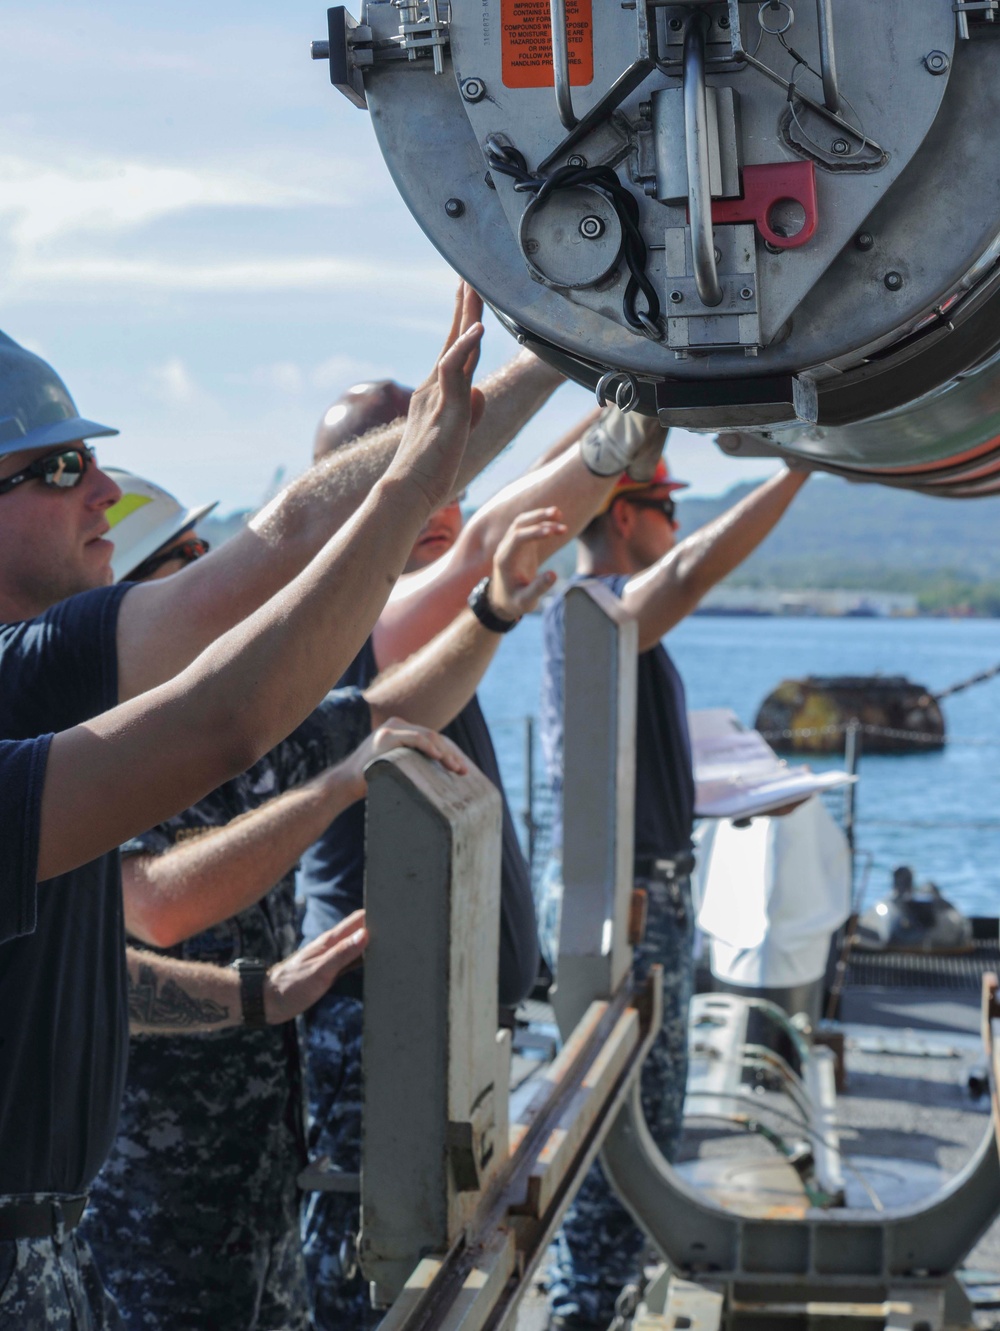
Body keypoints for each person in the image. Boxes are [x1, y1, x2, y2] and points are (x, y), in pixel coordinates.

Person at [0, 288, 493, 1329]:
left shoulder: (31, 679)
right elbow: (224, 722)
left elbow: (278, 543)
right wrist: (412, 478)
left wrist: (571, 362)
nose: (101, 491)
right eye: (55, 468)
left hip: (69, 1239)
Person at [81, 471, 564, 1331]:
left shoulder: (236, 729)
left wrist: (494, 608)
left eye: (206, 554)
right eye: (179, 561)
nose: (208, 579)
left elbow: (388, 707)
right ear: (121, 609)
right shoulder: (93, 758)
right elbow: (154, 904)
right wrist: (334, 789)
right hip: (158, 1207)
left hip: (262, 1180)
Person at [299, 389, 667, 1327]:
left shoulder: (412, 590)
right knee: (370, 1293)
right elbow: (484, 545)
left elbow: (505, 514)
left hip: (449, 1027)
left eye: (454, 482)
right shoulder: (345, 620)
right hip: (377, 1030)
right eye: (425, 484)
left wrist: (613, 405)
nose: (451, 505)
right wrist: (623, 427)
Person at [537, 458, 810, 1330]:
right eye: (665, 506)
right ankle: (587, 1309)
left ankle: (604, 1301)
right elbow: (691, 572)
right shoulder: (600, 614)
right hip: (631, 910)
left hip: (651, 895)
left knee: (646, 1126)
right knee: (619, 1144)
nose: (676, 525)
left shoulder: (614, 625)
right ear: (623, 514)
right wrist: (801, 466)